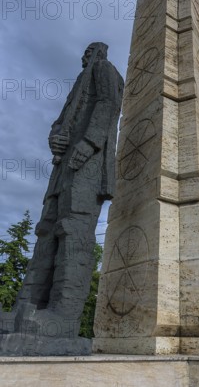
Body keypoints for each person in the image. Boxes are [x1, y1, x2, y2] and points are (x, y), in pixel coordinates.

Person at [11, 42, 124, 338]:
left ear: (99, 53)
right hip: (64, 166)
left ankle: (64, 315)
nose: (84, 56)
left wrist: (88, 143)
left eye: (89, 51)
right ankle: (26, 306)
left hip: (88, 161)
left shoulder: (104, 70)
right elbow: (60, 122)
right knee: (46, 229)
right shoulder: (79, 82)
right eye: (84, 53)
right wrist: (55, 138)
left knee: (73, 229)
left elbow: (109, 105)